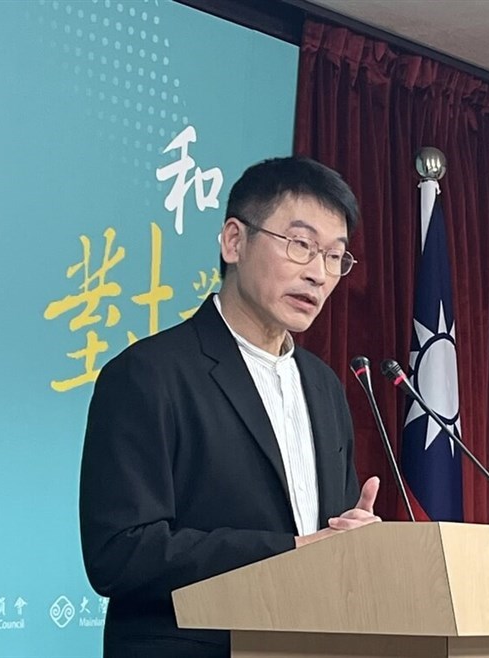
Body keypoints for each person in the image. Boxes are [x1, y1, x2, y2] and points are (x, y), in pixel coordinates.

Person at [79, 156, 380, 658]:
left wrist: (356, 540)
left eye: (335, 257)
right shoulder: (147, 374)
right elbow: (120, 551)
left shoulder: (325, 387)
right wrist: (291, 554)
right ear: (234, 241)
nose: (318, 274)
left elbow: (329, 540)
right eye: (301, 245)